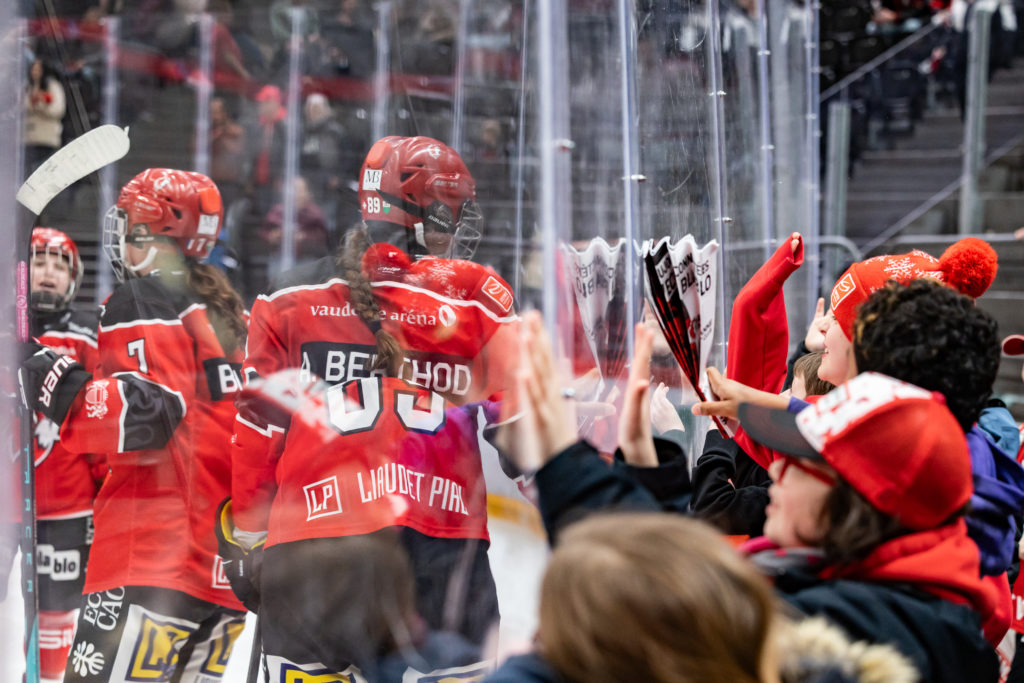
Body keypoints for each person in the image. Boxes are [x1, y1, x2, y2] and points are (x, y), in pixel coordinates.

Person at [223, 136, 519, 680]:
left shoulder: (286, 297)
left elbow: (256, 435)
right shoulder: (474, 301)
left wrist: (246, 537)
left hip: (310, 547)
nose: (457, 227)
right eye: (449, 212)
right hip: (441, 546)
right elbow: (523, 437)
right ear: (416, 212)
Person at [19, 169, 248, 682]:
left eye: (127, 224)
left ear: (148, 232)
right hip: (222, 579)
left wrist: (44, 372)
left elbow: (143, 412)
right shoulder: (233, 316)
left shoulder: (144, 298)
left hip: (151, 563)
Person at [736, 372, 1001, 682]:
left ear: (857, 502)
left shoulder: (823, 637)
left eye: (802, 462)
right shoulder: (934, 615)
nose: (776, 469)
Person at [28, 228, 102, 683]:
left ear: (74, 279)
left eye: (60, 264)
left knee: (57, 618)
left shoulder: (88, 339)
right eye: (40, 261)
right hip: (8, 511)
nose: (49, 272)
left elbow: (99, 428)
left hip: (67, 511)